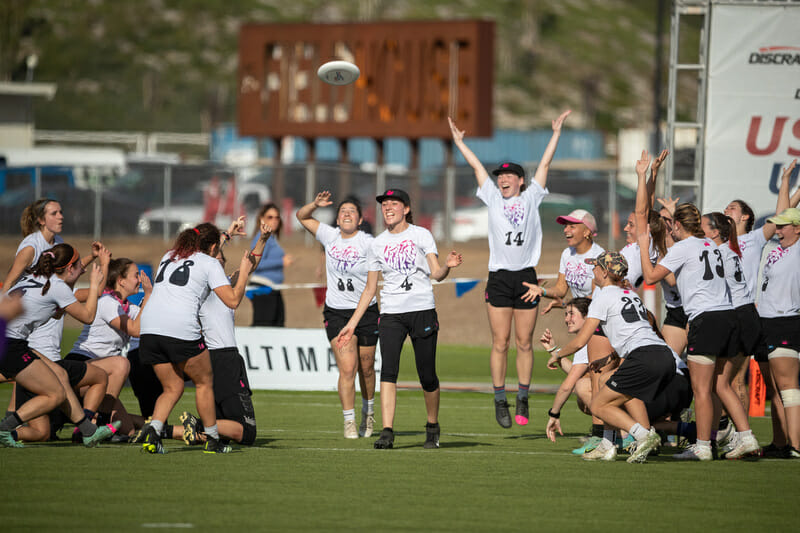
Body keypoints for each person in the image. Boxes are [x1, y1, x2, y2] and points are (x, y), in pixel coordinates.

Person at [449, 110, 571, 429]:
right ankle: (500, 397)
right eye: (499, 176)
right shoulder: (492, 197)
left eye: (508, 176)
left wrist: (556, 132)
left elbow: (544, 165)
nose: (502, 179)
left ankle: (523, 396)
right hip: (500, 277)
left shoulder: (531, 198)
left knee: (524, 342)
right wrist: (460, 143)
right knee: (500, 342)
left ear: (520, 181)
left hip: (527, 277)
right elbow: (477, 168)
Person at [635, 151, 759, 461]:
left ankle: (703, 446)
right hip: (728, 316)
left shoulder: (684, 247)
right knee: (722, 385)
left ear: (677, 226)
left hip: (705, 320)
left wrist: (642, 246)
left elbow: (651, 276)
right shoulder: (713, 246)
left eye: (672, 224)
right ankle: (746, 437)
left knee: (702, 389)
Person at [336, 188, 462, 450]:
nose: (388, 207)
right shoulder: (377, 243)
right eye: (384, 204)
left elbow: (436, 273)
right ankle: (387, 431)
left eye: (394, 203)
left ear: (406, 209)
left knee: (426, 374)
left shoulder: (421, 235)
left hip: (421, 310)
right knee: (388, 372)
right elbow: (370, 289)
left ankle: (432, 426)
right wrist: (351, 325)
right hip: (391, 313)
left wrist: (448, 264)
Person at [138, 222, 256, 454]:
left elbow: (199, 257)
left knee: (172, 387)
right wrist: (243, 273)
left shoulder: (169, 255)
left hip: (149, 329)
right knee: (204, 381)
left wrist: (225, 235)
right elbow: (232, 300)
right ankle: (212, 440)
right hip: (179, 328)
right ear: (213, 247)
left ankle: (154, 431)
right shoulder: (211, 262)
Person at [548, 251, 675, 463]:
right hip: (663, 355)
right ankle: (607, 445)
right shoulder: (631, 294)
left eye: (596, 267)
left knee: (598, 405)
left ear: (605, 273)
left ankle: (644, 435)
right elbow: (635, 332)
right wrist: (609, 359)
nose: (593, 270)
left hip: (644, 357)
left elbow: (580, 341)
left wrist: (557, 355)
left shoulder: (603, 296)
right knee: (607, 384)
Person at [0, 243, 116, 448]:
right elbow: (88, 317)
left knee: (60, 375)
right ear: (69, 268)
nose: (84, 266)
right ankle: (4, 428)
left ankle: (88, 431)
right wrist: (96, 283)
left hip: (12, 339)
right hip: (11, 343)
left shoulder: (37, 277)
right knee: (55, 394)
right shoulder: (57, 286)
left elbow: (54, 310)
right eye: (79, 263)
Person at [177, 216, 270, 448]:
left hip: (209, 358)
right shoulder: (207, 283)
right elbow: (211, 253)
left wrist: (262, 240)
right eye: (216, 255)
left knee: (221, 425)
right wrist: (225, 236)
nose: (218, 260)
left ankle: (170, 429)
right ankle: (197, 426)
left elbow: (250, 263)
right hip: (224, 358)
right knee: (246, 432)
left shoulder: (213, 283)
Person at [297, 192, 379, 439]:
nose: (346, 214)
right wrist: (314, 204)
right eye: (343, 210)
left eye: (352, 211)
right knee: (347, 368)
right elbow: (301, 216)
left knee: (366, 368)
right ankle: (349, 421)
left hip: (366, 311)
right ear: (337, 218)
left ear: (361, 219)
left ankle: (369, 412)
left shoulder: (368, 242)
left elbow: (372, 285)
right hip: (336, 313)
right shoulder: (329, 235)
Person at [64, 257, 153, 438]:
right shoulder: (106, 302)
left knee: (127, 431)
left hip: (103, 375)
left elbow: (151, 322)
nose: (139, 280)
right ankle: (96, 426)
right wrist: (148, 296)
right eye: (136, 276)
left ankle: (93, 423)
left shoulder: (129, 308)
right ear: (121, 281)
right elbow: (135, 330)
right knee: (122, 364)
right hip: (81, 365)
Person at [757, 207, 800, 457]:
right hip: (766, 321)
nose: (778, 230)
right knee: (776, 388)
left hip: (786, 320)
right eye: (777, 225)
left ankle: (796, 445)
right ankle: (782, 443)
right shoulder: (776, 251)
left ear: (797, 228)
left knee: (789, 387)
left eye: (784, 226)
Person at [540, 298, 594, 444]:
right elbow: (577, 373)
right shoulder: (587, 338)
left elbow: (569, 385)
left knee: (583, 387)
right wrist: (553, 350)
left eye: (572, 314)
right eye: (565, 314)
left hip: (636, 394)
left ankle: (608, 435)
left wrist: (554, 413)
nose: (567, 319)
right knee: (583, 388)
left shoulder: (590, 339)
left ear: (587, 317)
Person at [250, 203, 293, 327]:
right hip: (263, 287)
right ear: (261, 219)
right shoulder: (261, 237)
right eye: (270, 217)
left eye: (277, 217)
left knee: (277, 324)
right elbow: (255, 264)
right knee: (263, 326)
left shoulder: (272, 237)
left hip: (273, 287)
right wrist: (281, 262)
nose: (274, 220)